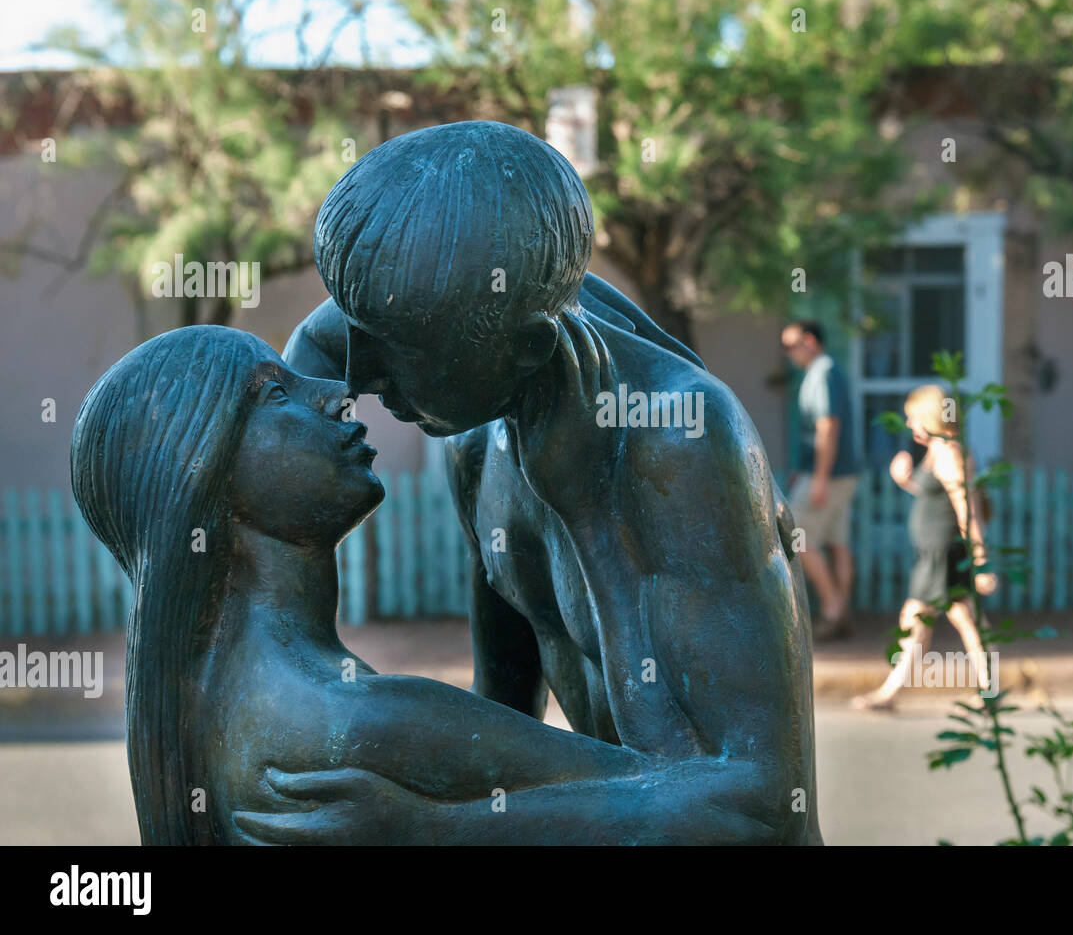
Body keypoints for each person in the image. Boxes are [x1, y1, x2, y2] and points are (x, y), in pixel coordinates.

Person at [257, 120, 822, 844]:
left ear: (529, 348)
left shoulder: (679, 444)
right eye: (355, 327)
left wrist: (437, 832)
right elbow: (504, 718)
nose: (358, 377)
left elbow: (753, 806)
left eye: (394, 350)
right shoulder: (474, 429)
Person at [851, 385, 997, 711]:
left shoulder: (948, 452)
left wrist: (981, 560)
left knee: (917, 619)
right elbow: (937, 498)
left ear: (931, 417)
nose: (908, 424)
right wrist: (906, 482)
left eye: (913, 417)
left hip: (942, 555)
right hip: (938, 553)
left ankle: (889, 693)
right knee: (964, 617)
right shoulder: (939, 450)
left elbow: (965, 506)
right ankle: (990, 689)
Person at [781, 320, 862, 641]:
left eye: (790, 346)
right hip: (838, 473)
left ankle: (832, 608)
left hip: (828, 475)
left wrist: (818, 477)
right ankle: (843, 613)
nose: (788, 354)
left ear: (810, 341)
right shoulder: (825, 372)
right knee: (838, 543)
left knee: (796, 535)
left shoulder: (823, 373)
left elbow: (828, 426)